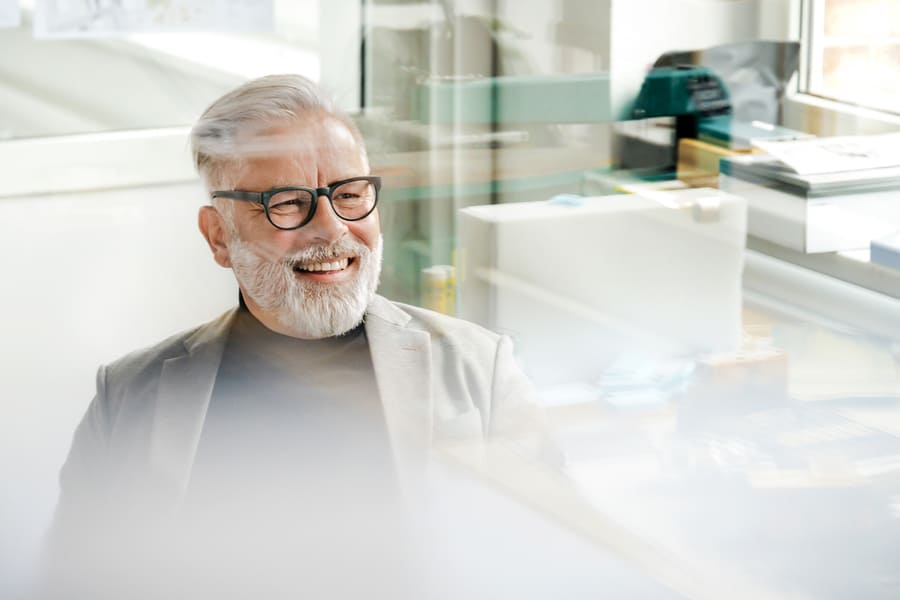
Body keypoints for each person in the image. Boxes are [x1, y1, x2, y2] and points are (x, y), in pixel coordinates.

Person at [40, 74, 539, 600]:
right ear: (218, 236)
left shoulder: (480, 368)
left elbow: (548, 562)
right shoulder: (128, 395)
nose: (331, 227)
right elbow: (67, 579)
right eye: (287, 202)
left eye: (349, 194)